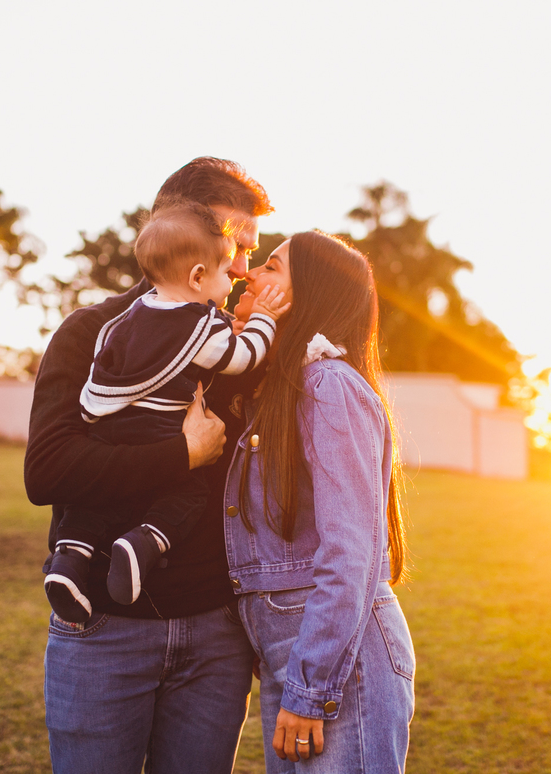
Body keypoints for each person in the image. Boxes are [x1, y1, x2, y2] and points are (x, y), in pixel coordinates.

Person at [25, 157, 272, 774]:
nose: (242, 264)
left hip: (218, 634)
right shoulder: (92, 332)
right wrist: (180, 455)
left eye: (251, 248)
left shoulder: (230, 340)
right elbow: (47, 471)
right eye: (235, 241)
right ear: (178, 226)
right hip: (105, 629)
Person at [223, 231, 416, 773]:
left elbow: (350, 552)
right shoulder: (280, 391)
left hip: (336, 664)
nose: (250, 274)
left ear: (305, 297)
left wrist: (311, 690)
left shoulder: (328, 385)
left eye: (272, 268)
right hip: (302, 656)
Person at [44, 199, 289, 618]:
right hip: (159, 430)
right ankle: (144, 543)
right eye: (231, 257)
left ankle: (69, 559)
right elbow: (243, 355)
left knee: (90, 509)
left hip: (107, 424)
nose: (240, 272)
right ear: (197, 275)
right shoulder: (199, 327)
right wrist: (265, 319)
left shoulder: (125, 321)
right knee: (189, 491)